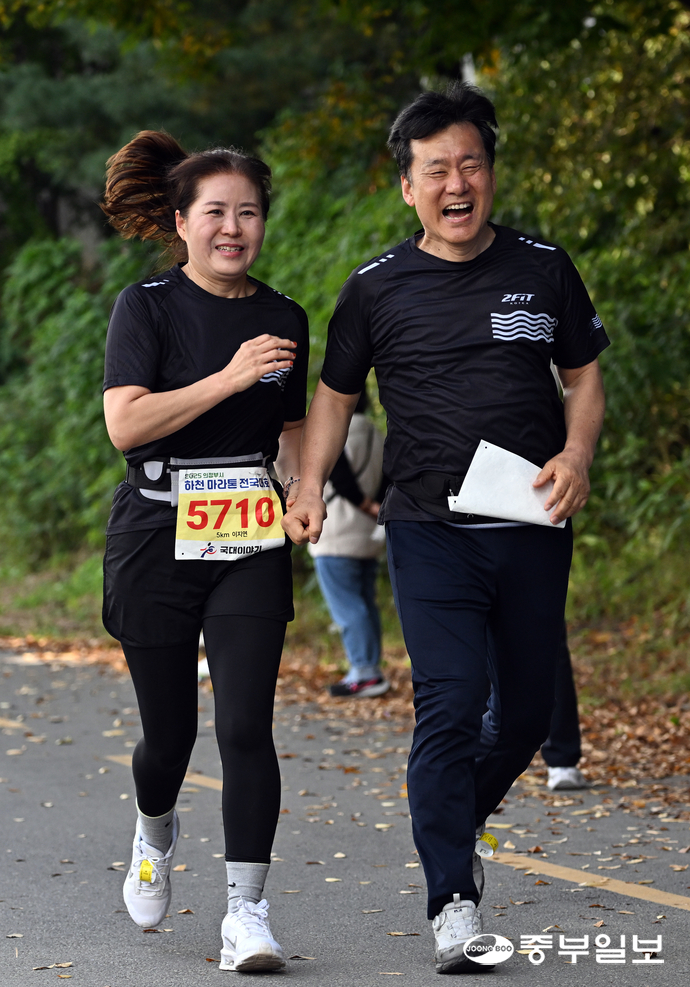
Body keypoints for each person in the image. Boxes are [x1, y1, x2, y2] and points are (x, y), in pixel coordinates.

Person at [282, 83, 608, 973]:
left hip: (535, 520)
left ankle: (447, 822)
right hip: (429, 525)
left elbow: (582, 377)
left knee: (529, 711)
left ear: (490, 173)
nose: (456, 182)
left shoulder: (544, 266)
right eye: (436, 169)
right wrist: (309, 484)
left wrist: (577, 456)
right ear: (408, 187)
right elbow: (332, 398)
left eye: (471, 163)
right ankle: (452, 899)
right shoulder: (375, 288)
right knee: (452, 698)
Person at [101, 130, 309, 972]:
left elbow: (291, 431)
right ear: (182, 222)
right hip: (155, 528)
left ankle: (247, 914)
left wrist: (304, 488)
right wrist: (228, 377)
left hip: (248, 532)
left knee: (246, 723)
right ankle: (154, 830)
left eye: (248, 212)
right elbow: (125, 423)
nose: (233, 227)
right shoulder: (144, 307)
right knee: (169, 735)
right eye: (216, 212)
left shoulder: (283, 316)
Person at [308, 391, 390, 697]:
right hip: (369, 533)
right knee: (366, 603)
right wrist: (375, 508)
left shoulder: (332, 431)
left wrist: (364, 503)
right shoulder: (375, 432)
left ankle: (365, 672)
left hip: (337, 530)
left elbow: (340, 478)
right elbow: (388, 475)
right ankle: (370, 668)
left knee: (347, 607)